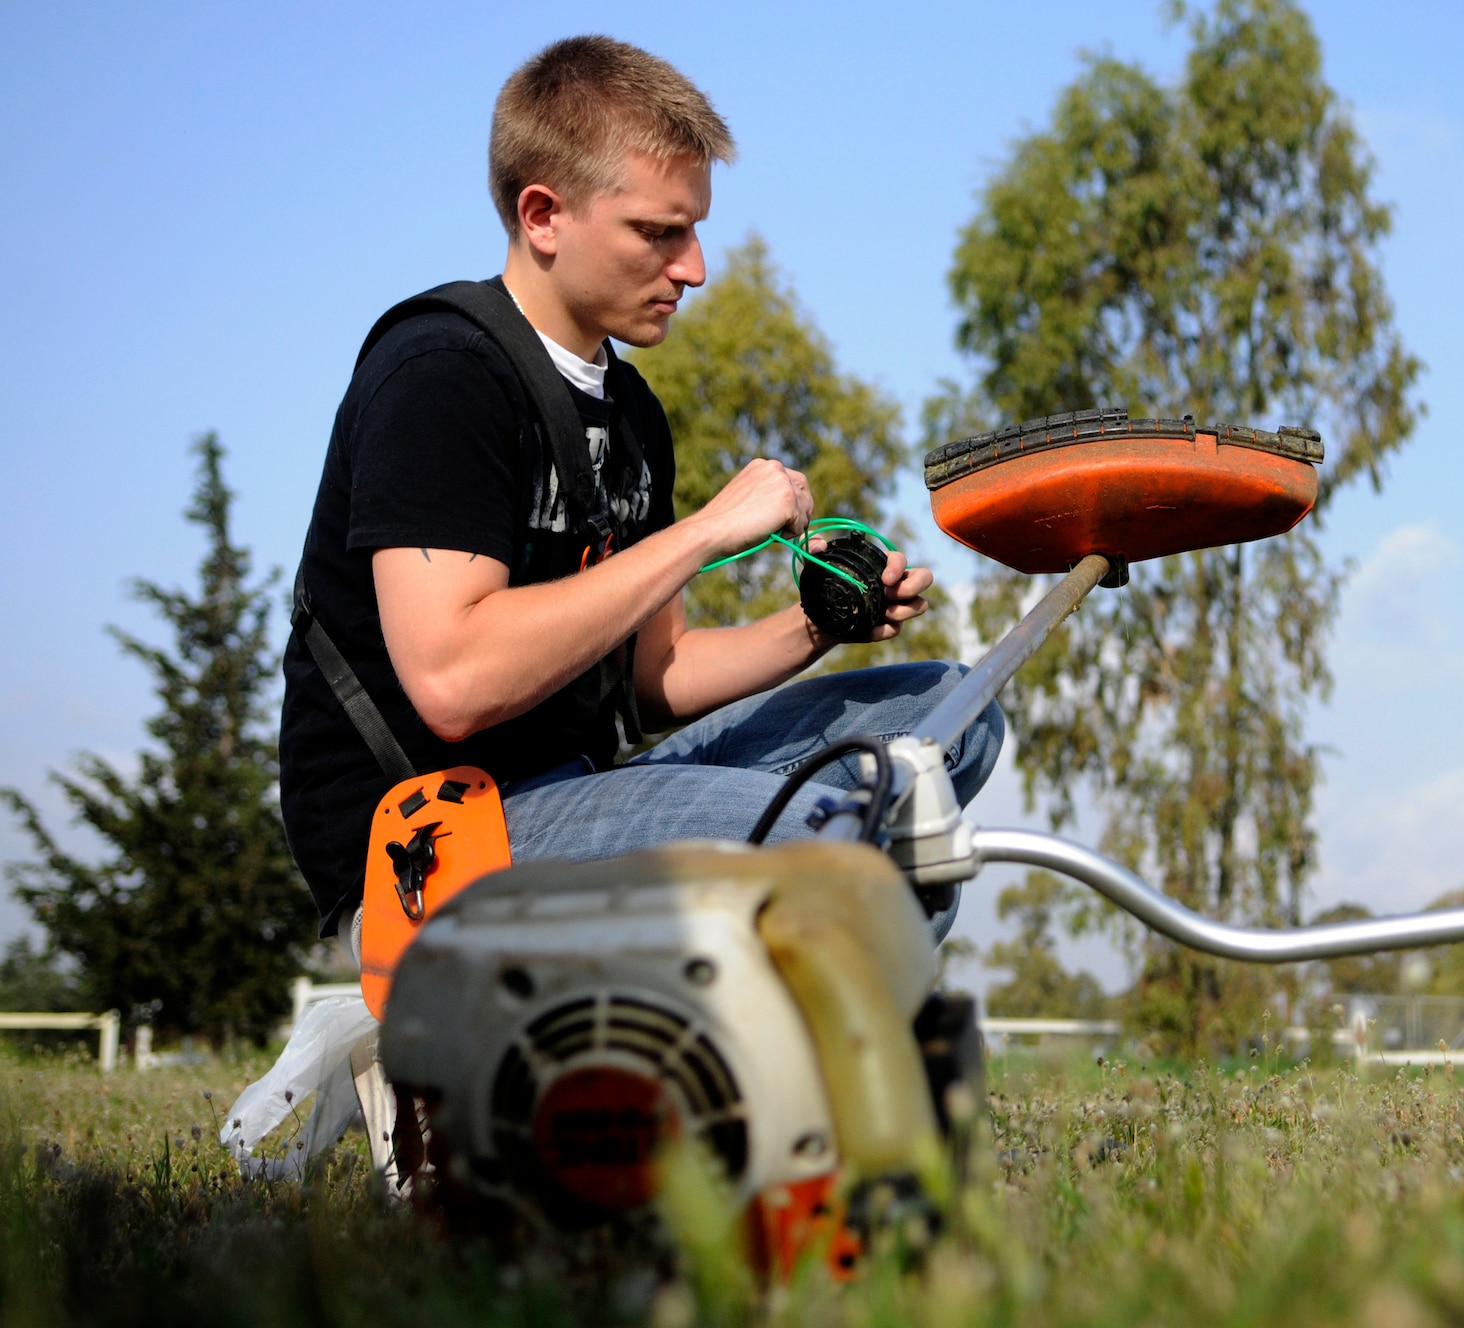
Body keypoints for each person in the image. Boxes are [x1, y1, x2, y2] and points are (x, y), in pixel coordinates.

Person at [279, 35, 1004, 964]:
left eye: (695, 229)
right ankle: (785, 1076)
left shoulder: (629, 414)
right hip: (429, 847)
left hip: (579, 792)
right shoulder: (439, 375)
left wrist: (821, 624)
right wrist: (703, 534)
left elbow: (659, 679)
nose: (694, 268)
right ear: (544, 214)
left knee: (948, 716)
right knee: (849, 829)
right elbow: (453, 681)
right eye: (660, 233)